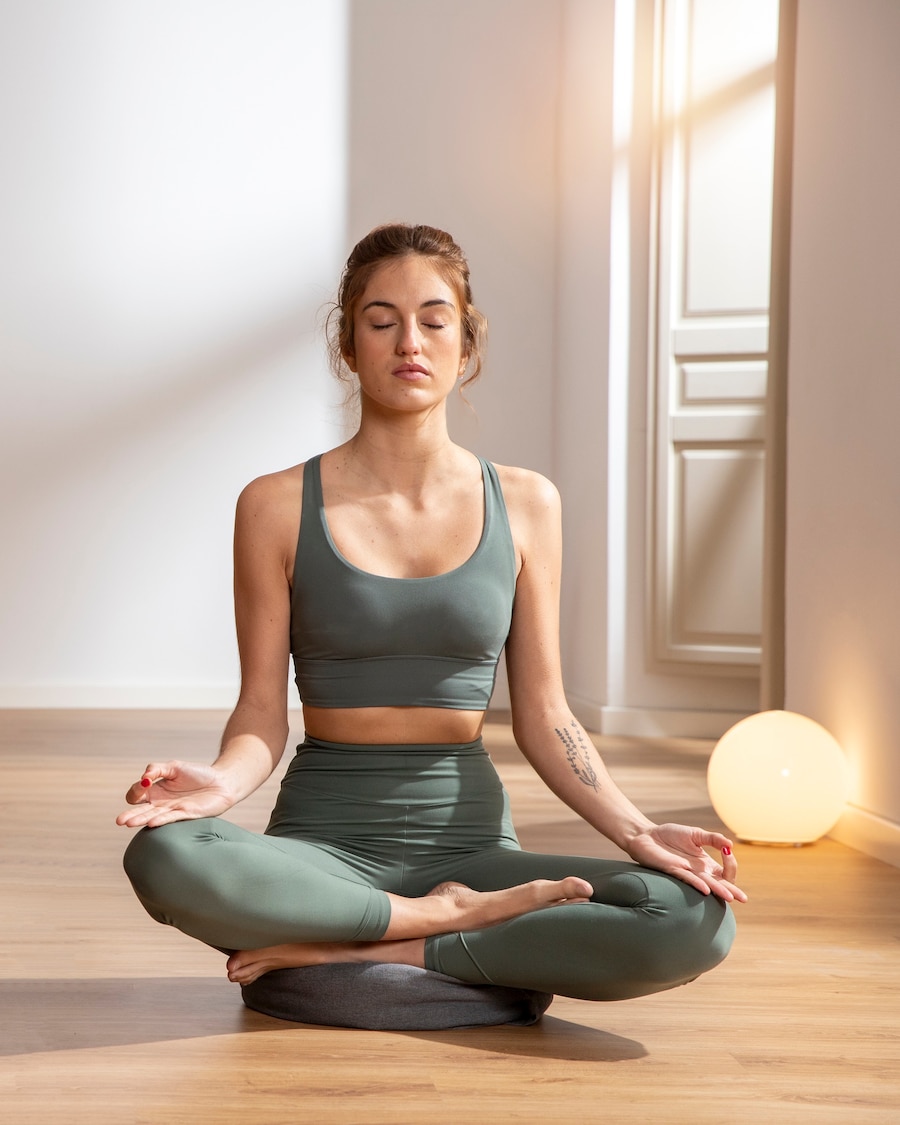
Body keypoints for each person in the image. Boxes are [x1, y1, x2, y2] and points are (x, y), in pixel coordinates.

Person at [118, 222, 745, 1007]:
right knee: (163, 853)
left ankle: (384, 945)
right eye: (380, 321)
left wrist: (636, 830)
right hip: (323, 845)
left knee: (693, 915)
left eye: (433, 319)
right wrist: (218, 783)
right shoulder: (274, 504)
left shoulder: (527, 503)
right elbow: (260, 712)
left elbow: (546, 713)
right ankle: (448, 926)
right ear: (349, 345)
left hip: (473, 844)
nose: (408, 340)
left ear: (466, 342)